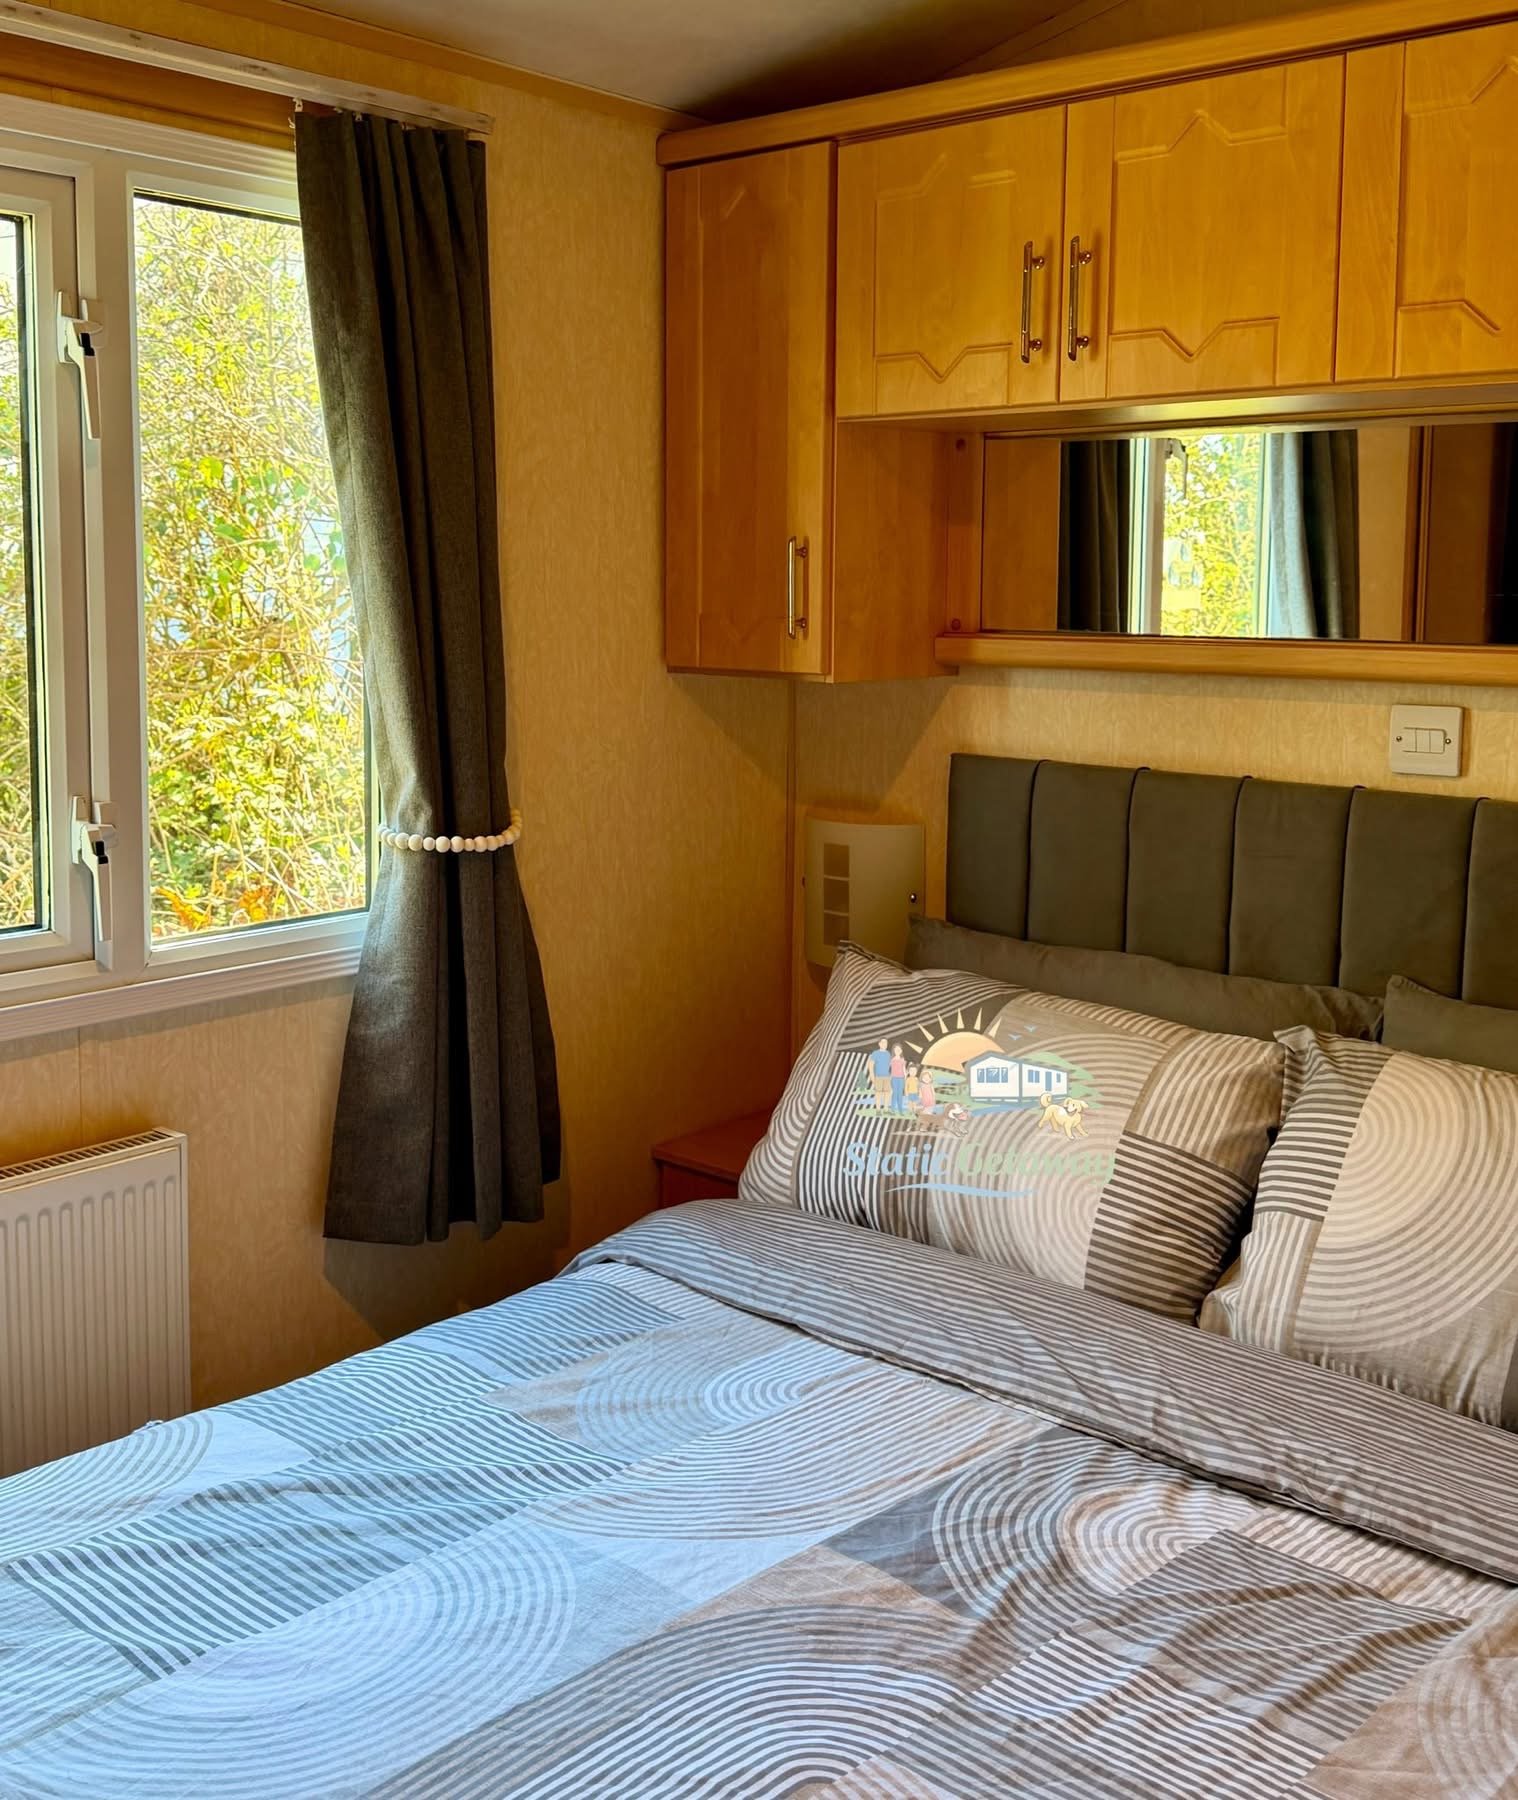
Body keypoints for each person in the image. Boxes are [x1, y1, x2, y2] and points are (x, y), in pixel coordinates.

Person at [868, 1039, 892, 1109]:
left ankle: (885, 1109)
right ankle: (878, 1110)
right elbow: (870, 1065)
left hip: (887, 1077)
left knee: (887, 1093)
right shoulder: (875, 1053)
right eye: (883, 1042)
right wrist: (872, 1077)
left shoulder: (888, 1053)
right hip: (878, 1077)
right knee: (878, 1094)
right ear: (879, 1044)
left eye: (886, 1043)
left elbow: (890, 1066)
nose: (884, 1044)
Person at [889, 1044, 907, 1112]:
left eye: (899, 1050)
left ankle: (900, 1108)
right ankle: (892, 1109)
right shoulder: (892, 1060)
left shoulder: (902, 1060)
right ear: (894, 1050)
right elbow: (890, 1069)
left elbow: (904, 1069)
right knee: (895, 1093)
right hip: (894, 1078)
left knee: (900, 1093)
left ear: (901, 1051)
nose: (898, 1051)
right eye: (896, 1050)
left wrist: (905, 1078)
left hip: (901, 1078)